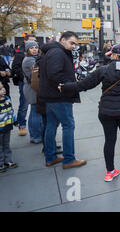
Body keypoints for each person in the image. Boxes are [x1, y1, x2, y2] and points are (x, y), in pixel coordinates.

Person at [61, 44, 120, 182]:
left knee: (109, 141)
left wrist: (64, 87)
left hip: (106, 111)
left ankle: (110, 172)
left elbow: (83, 85)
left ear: (115, 56)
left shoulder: (103, 70)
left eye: (111, 54)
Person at [39, 31, 86, 169]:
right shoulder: (57, 53)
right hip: (59, 96)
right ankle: (69, 159)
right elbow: (54, 73)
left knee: (51, 125)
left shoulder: (53, 51)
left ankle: (51, 157)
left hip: (51, 96)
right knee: (68, 125)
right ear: (63, 40)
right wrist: (66, 85)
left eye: (75, 44)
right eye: (72, 43)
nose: (73, 46)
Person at [12, 34, 37, 137]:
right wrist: (25, 78)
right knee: (24, 105)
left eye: (35, 42)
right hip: (25, 83)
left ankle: (35, 132)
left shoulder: (36, 55)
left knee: (35, 108)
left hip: (34, 83)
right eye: (31, 42)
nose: (34, 45)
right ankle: (22, 125)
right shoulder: (20, 54)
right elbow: (15, 68)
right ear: (25, 41)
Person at [22, 41, 45, 144]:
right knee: (36, 113)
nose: (34, 49)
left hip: (32, 87)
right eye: (31, 48)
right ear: (27, 50)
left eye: (36, 47)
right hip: (32, 88)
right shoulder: (29, 60)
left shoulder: (33, 58)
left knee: (34, 112)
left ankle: (35, 135)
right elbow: (39, 72)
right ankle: (36, 136)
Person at [0, 82, 18, 173]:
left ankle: (8, 161)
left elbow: (11, 111)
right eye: (0, 89)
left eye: (2, 87)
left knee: (6, 145)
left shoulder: (7, 99)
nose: (3, 90)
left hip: (7, 127)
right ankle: (1, 163)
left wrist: (15, 121)